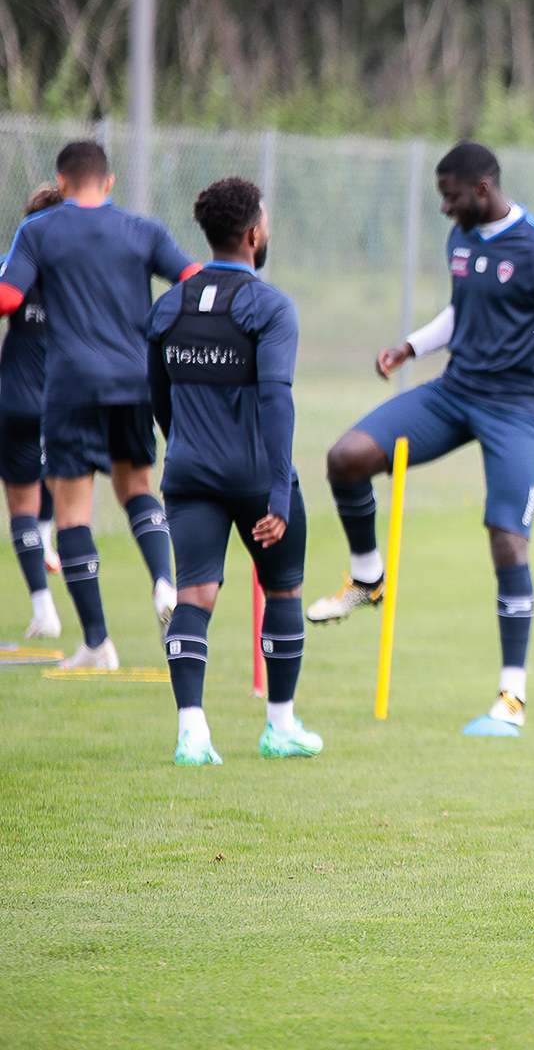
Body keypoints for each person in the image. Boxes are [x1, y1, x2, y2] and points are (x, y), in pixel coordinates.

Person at [305, 142, 534, 733]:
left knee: (506, 539)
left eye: (451, 197)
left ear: (481, 189)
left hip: (517, 410)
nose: (445, 209)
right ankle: (368, 577)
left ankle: (511, 697)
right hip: (454, 394)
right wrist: (412, 345)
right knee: (346, 458)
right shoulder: (461, 239)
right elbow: (462, 309)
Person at [0, 141, 196, 669]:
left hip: (71, 388)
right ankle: (163, 583)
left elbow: (9, 299)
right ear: (108, 183)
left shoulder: (38, 230)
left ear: (61, 183)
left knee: (72, 513)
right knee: (137, 490)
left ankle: (97, 642)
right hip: (136, 383)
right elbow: (192, 278)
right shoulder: (144, 230)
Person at [147, 177, 320, 765]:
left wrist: (187, 448)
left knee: (194, 595)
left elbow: (158, 399)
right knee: (284, 588)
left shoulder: (168, 304)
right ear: (253, 234)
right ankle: (281, 727)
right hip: (255, 479)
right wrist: (276, 491)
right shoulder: (270, 307)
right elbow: (276, 400)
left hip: (188, 473)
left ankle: (192, 733)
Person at [3, 184, 63, 638]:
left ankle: (44, 610)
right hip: (67, 400)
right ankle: (48, 531)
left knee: (20, 502)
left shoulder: (16, 270)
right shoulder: (83, 276)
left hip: (18, 398)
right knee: (68, 477)